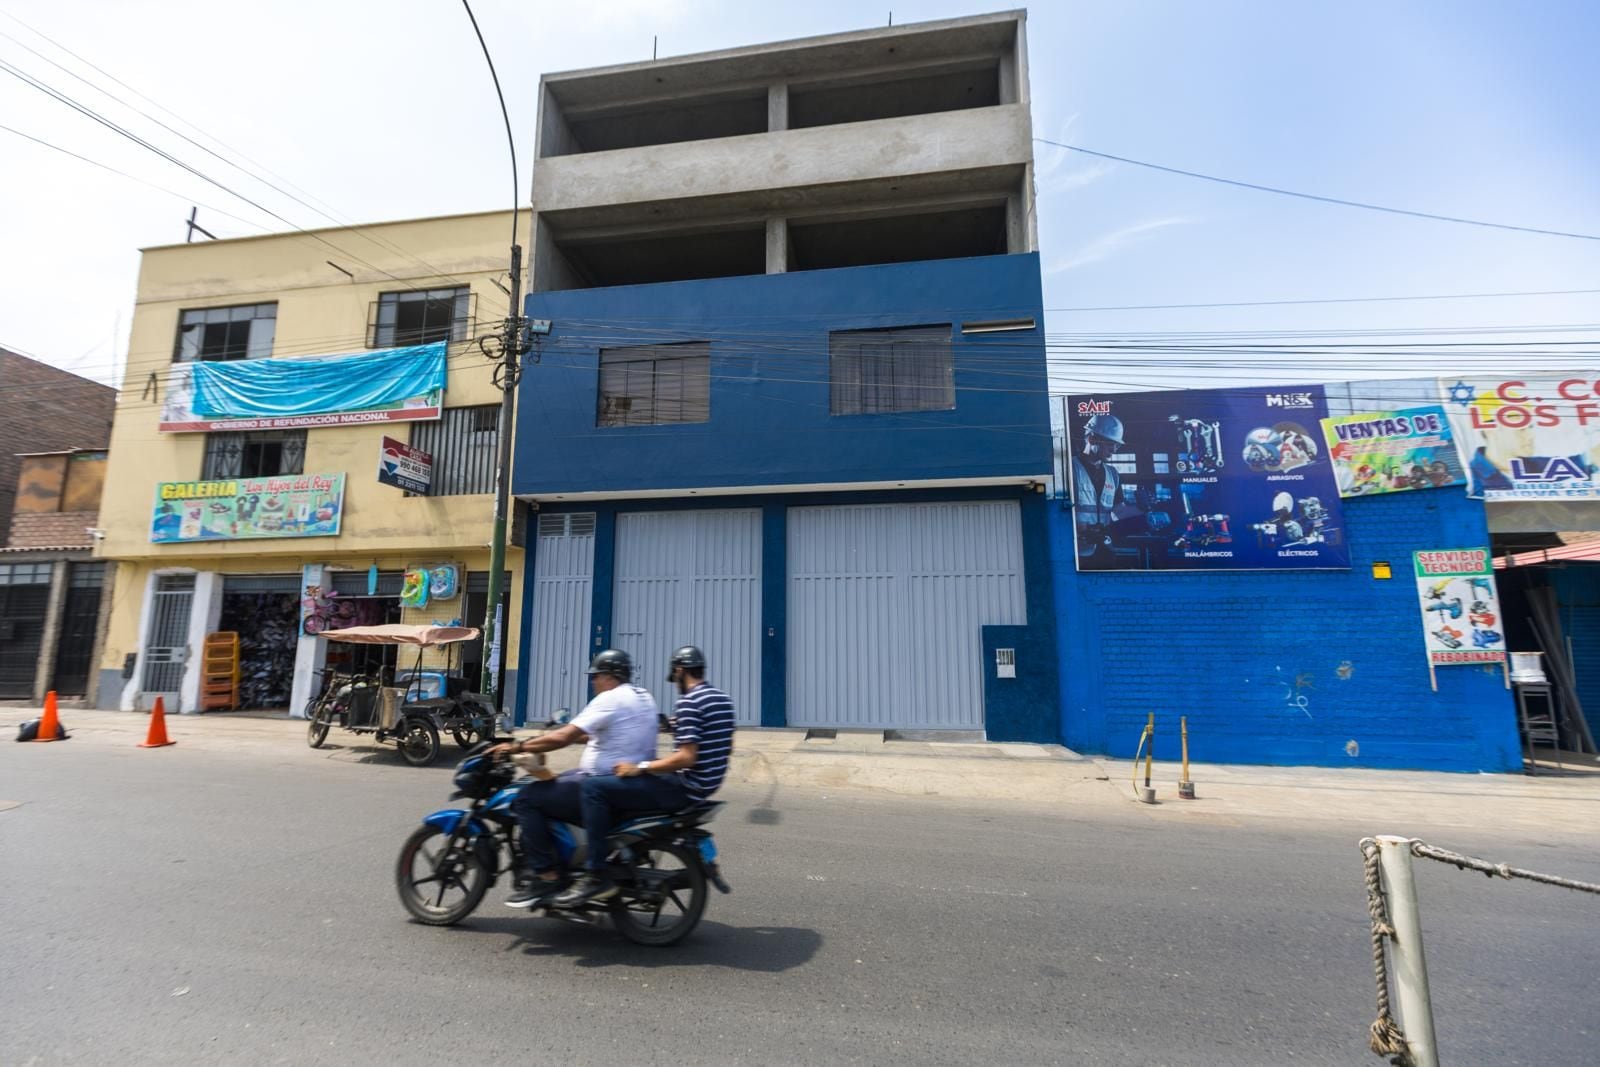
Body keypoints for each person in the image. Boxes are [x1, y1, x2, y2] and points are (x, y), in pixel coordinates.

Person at [551, 645, 737, 909]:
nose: (676, 685)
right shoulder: (720, 699)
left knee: (594, 788)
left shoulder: (690, 701)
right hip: (707, 786)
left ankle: (595, 874)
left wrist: (642, 767)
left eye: (675, 678)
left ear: (680, 671)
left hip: (683, 785)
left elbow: (686, 758)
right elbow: (706, 735)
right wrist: (659, 722)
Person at [491, 649, 659, 909]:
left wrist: (518, 747)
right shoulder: (642, 696)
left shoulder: (610, 699)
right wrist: (551, 736)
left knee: (527, 798)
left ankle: (547, 876)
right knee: (553, 784)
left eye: (596, 677)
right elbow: (601, 733)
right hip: (627, 784)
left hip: (602, 784)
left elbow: (563, 739)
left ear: (609, 676)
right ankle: (567, 858)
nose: (593, 682)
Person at [1072, 412, 1124, 561]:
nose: (1114, 450)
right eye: (1110, 444)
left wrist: (1140, 510)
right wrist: (1082, 530)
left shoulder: (1113, 474)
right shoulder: (1070, 469)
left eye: (1117, 445)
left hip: (1104, 550)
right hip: (1078, 552)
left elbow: (1118, 510)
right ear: (1092, 438)